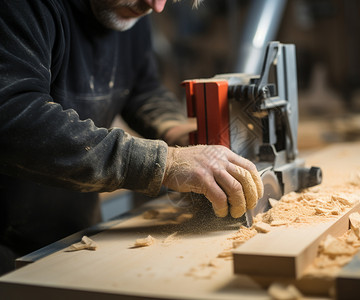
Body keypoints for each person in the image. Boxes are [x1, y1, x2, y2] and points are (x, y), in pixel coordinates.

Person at [0, 0, 263, 275]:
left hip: (73, 231)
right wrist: (165, 162)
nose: (156, 6)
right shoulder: (22, 8)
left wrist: (179, 133)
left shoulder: (131, 12)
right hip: (7, 240)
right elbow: (13, 117)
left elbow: (143, 90)